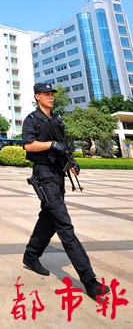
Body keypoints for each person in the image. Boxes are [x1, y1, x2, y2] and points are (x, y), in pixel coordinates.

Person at [22, 82, 110, 299]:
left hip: (58, 174)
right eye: (46, 94)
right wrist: (51, 144)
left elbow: (64, 145)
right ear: (37, 97)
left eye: (51, 94)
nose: (50, 97)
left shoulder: (57, 119)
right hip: (44, 175)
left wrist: (71, 161)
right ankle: (89, 281)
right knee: (64, 225)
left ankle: (31, 255)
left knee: (49, 219)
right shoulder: (32, 119)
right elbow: (29, 145)